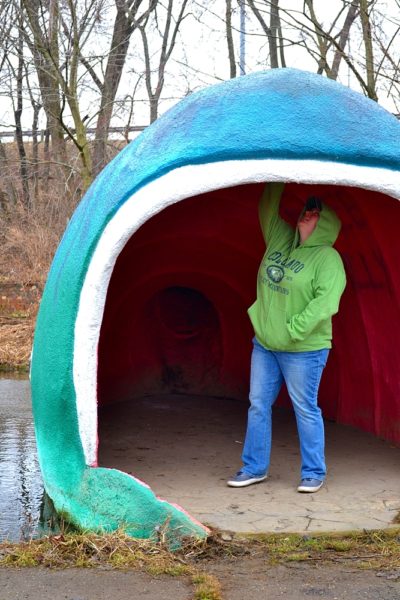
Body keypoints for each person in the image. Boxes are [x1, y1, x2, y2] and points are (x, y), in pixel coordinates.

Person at [227, 182, 346, 493]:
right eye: (306, 209)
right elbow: (266, 207)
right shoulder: (279, 239)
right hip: (265, 345)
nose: (307, 214)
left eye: (315, 212)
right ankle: (254, 468)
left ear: (326, 222)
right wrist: (276, 173)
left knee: (305, 408)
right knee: (257, 404)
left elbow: (325, 302)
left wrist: (294, 329)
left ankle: (313, 472)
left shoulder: (328, 259)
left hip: (303, 349)